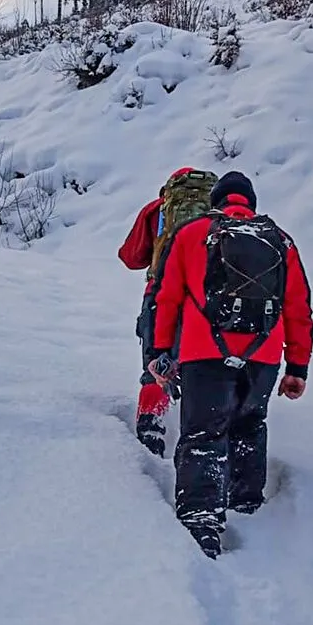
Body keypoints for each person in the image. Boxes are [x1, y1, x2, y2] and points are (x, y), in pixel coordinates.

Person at [147, 170, 313, 558]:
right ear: (250, 203)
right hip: (264, 356)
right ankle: (247, 505)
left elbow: (167, 297)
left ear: (215, 201)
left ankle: (202, 518)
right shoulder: (280, 240)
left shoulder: (190, 234)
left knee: (203, 433)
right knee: (249, 425)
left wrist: (159, 352)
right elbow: (298, 308)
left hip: (203, 353)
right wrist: (297, 368)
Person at [118, 167, 199, 457]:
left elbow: (130, 257)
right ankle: (197, 440)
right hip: (201, 301)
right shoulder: (216, 214)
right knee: (200, 369)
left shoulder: (156, 210)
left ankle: (151, 433)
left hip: (158, 294)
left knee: (155, 366)